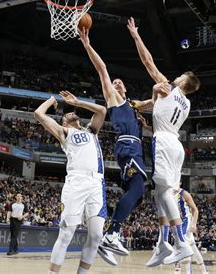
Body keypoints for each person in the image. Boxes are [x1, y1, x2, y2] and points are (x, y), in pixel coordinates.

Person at [127, 17, 200, 265]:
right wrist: (138, 104)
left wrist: (136, 36)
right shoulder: (186, 103)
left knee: (163, 190)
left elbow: (148, 63)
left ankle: (180, 242)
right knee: (159, 193)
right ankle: (162, 244)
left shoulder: (172, 88)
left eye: (178, 76)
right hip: (175, 145)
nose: (174, 78)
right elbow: (155, 105)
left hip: (165, 142)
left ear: (181, 82)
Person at [79, 28, 153, 260]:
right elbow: (102, 69)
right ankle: (111, 234)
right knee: (139, 188)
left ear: (126, 89)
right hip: (127, 146)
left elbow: (154, 101)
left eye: (120, 82)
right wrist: (87, 45)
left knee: (138, 194)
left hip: (135, 149)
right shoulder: (113, 99)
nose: (116, 83)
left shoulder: (133, 105)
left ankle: (109, 236)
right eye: (114, 82)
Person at [34, 90, 108, 274]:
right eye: (66, 114)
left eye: (72, 112)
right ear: (64, 122)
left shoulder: (91, 130)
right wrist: (52, 100)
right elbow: (38, 114)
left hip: (97, 183)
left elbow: (102, 111)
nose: (70, 112)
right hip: (77, 181)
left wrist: (78, 102)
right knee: (67, 233)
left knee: (96, 235)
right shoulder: (64, 132)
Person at [175, 188, 209, 274]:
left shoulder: (183, 193)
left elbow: (195, 210)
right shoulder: (169, 194)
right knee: (193, 247)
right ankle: (204, 271)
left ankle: (181, 271)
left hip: (187, 221)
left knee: (182, 248)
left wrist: (194, 224)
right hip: (179, 223)